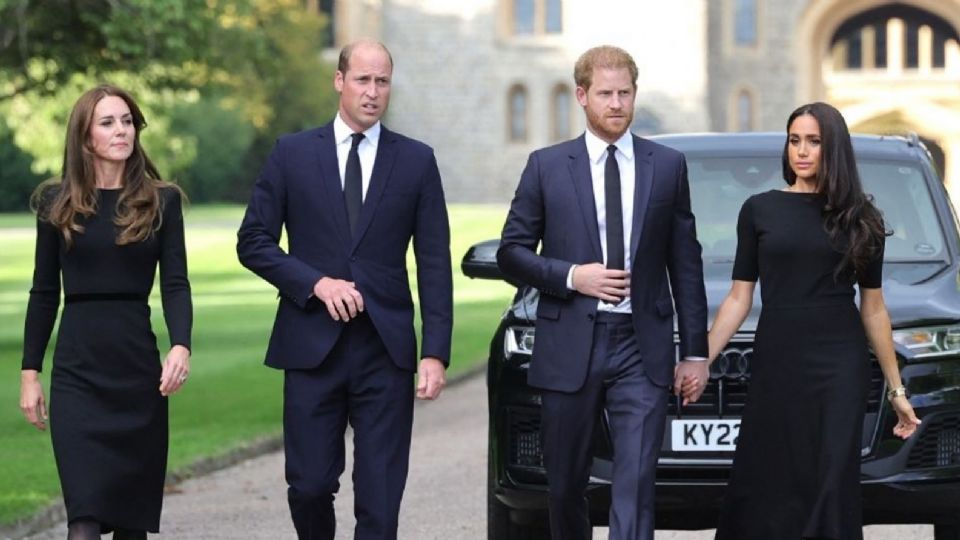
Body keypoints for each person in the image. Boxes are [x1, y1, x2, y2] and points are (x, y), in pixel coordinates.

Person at [236, 39, 453, 540]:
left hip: (386, 349)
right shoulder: (291, 154)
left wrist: (435, 352)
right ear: (339, 81)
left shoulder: (417, 161)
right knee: (309, 486)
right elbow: (253, 241)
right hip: (312, 346)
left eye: (382, 82)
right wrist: (314, 282)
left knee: (380, 501)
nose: (373, 92)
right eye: (362, 79)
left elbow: (434, 263)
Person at [497, 45, 709, 540]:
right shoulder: (546, 166)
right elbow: (512, 253)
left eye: (625, 93)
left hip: (643, 346)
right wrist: (574, 277)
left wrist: (695, 352)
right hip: (571, 340)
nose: (616, 104)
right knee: (566, 485)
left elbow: (686, 263)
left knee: (635, 483)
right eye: (606, 94)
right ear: (582, 96)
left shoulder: (667, 166)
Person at [702, 102, 921, 540]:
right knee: (769, 475)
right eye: (795, 140)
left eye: (814, 141)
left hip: (839, 365)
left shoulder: (863, 219)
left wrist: (897, 390)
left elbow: (873, 307)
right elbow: (738, 298)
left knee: (831, 478)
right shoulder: (759, 210)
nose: (802, 151)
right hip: (777, 360)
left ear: (833, 148)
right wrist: (700, 359)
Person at [18, 85, 192, 539]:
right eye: (108, 122)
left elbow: (175, 283)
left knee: (131, 527)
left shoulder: (162, 200)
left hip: (137, 373)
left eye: (127, 121)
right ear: (85, 137)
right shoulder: (55, 203)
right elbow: (42, 292)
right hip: (78, 375)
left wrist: (181, 344)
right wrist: (30, 373)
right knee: (85, 521)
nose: (122, 131)